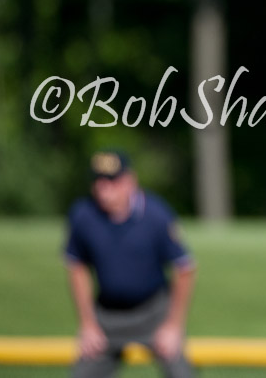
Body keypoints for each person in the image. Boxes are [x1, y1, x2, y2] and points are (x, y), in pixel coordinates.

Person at [64, 150, 196, 378]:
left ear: (129, 181)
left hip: (154, 312)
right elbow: (76, 266)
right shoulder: (83, 215)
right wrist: (87, 324)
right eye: (99, 182)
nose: (104, 191)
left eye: (112, 182)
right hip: (107, 314)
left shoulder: (156, 215)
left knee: (181, 372)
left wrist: (173, 326)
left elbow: (184, 267)